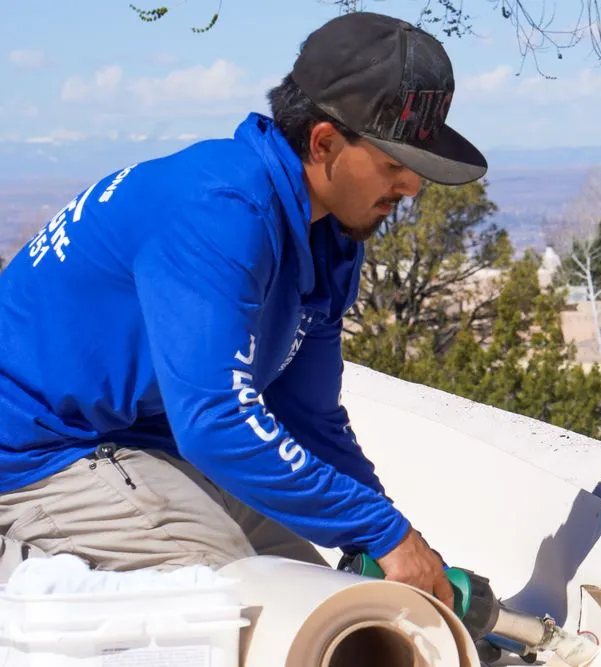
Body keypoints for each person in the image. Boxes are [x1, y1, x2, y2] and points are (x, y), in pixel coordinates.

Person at [0, 11, 488, 610]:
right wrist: (385, 534)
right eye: (394, 165)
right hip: (38, 451)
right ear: (325, 142)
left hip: (147, 442)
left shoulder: (329, 234)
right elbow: (216, 420)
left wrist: (386, 536)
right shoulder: (219, 210)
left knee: (330, 601)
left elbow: (307, 414)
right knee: (243, 607)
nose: (411, 188)